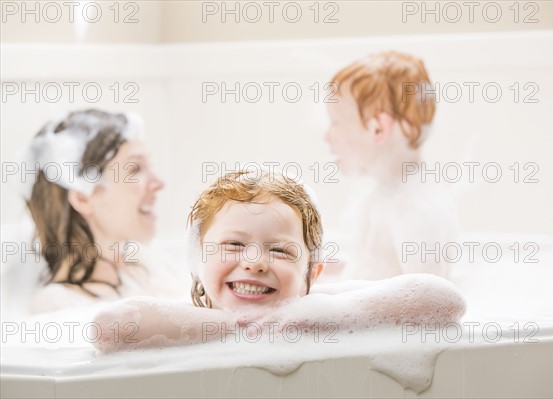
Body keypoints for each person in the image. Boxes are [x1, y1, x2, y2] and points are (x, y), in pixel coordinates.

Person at [93, 170, 465, 352]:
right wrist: (243, 326)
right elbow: (109, 327)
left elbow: (443, 299)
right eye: (234, 246)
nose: (254, 262)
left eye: (281, 250)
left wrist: (302, 319)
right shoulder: (187, 318)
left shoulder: (323, 308)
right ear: (197, 260)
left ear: (312, 274)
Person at [15, 109, 181, 314]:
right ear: (83, 197)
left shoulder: (150, 265)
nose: (159, 183)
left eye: (150, 166)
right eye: (135, 169)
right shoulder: (58, 306)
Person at [324, 51, 458, 280]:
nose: (327, 136)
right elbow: (378, 267)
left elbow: (429, 305)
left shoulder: (413, 211)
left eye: (336, 122)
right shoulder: (384, 194)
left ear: (378, 128)